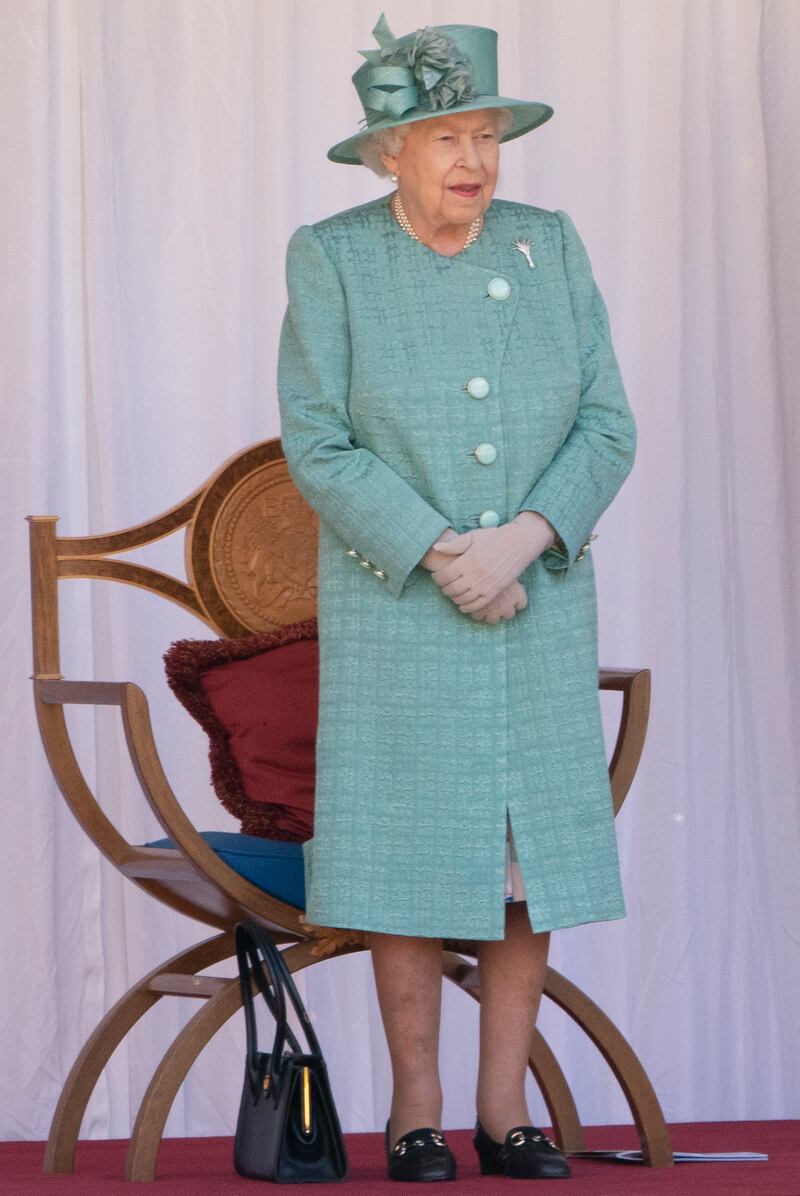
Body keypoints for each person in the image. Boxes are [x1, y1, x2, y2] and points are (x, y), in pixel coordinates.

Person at [277, 13, 636, 1183]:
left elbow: (606, 423)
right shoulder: (332, 256)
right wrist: (441, 549)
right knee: (409, 854)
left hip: (531, 608)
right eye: (446, 136)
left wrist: (528, 536)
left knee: (525, 859)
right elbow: (318, 445)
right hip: (402, 610)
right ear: (389, 153)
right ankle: (414, 1111)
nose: (473, 159)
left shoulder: (550, 244)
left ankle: (505, 1113)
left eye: (486, 134)